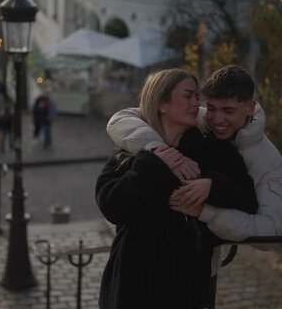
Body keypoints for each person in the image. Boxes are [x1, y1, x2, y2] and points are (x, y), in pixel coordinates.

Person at [96, 68, 258, 309]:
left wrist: (212, 186)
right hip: (132, 286)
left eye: (197, 97)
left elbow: (249, 201)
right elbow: (111, 205)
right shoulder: (131, 152)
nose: (196, 103)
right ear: (162, 103)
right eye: (188, 96)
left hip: (184, 287)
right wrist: (154, 162)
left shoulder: (215, 152)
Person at [106, 65, 282, 242]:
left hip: (195, 265)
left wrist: (206, 204)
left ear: (250, 108)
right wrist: (157, 150)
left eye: (228, 111)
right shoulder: (195, 119)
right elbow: (123, 119)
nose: (216, 119)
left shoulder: (267, 159)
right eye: (211, 108)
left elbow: (269, 231)